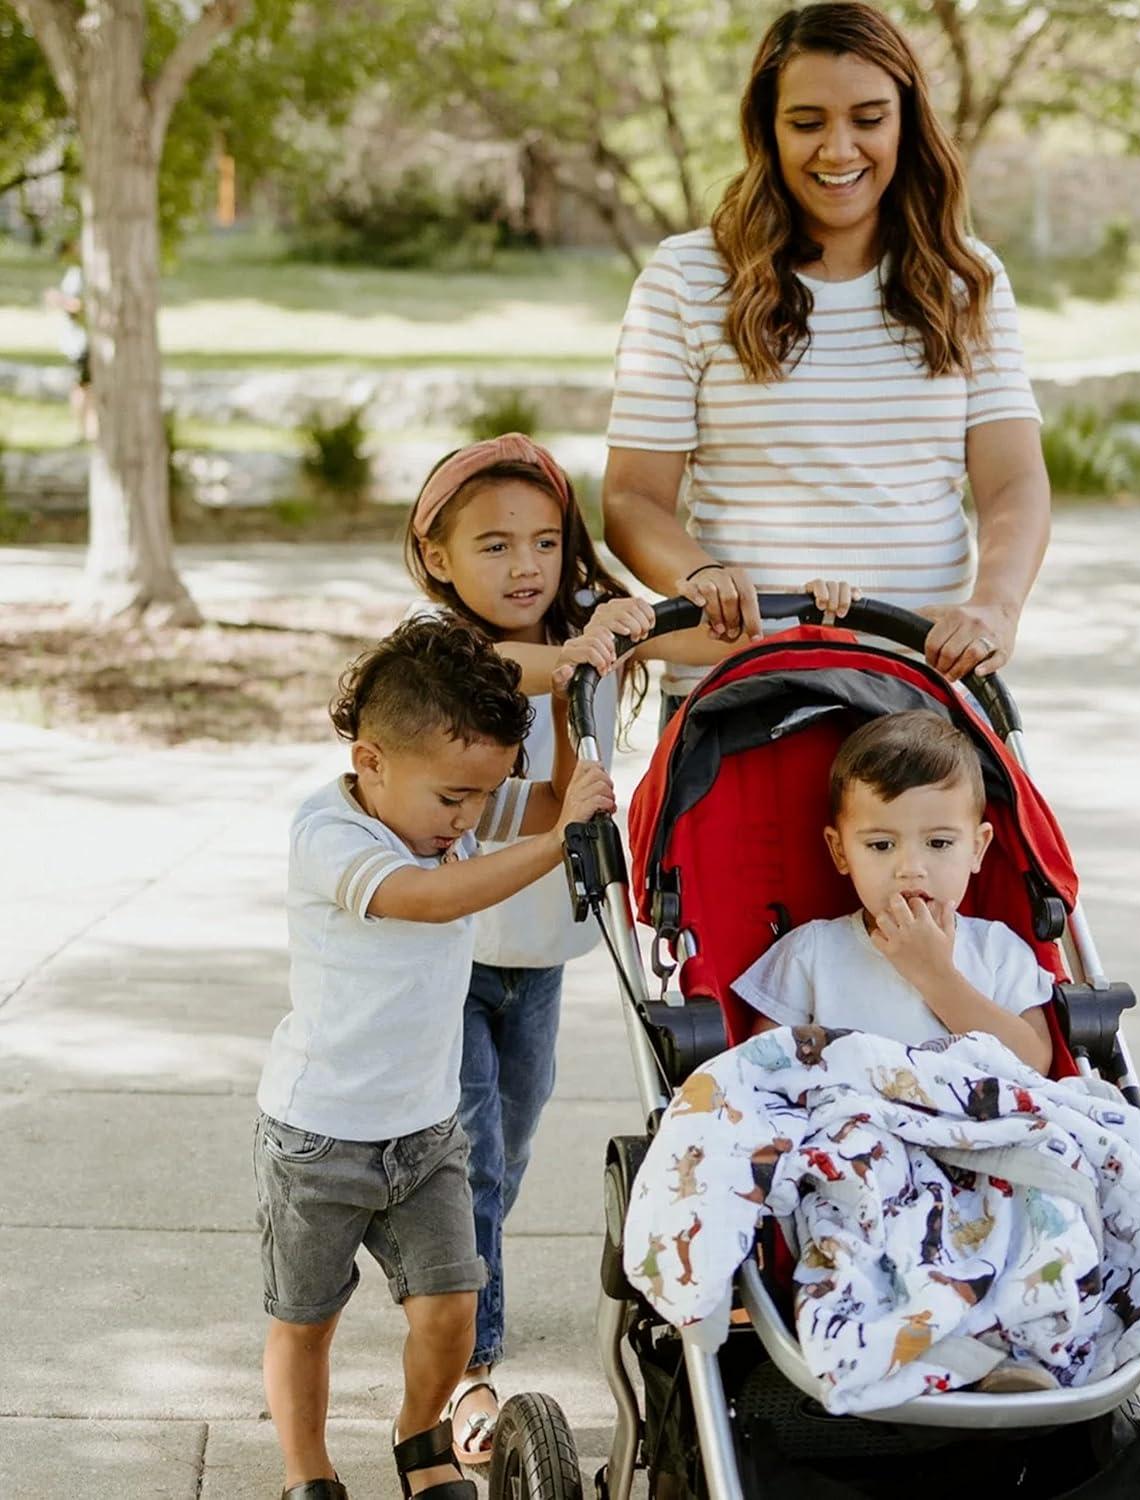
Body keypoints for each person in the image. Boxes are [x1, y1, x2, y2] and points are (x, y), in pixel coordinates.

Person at [403, 433, 733, 1466]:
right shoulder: (435, 650)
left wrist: (676, 613)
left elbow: (713, 649)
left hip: (537, 953)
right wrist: (581, 650)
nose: (524, 565)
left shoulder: (584, 635)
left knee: (513, 1128)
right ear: (440, 559)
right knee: (472, 1152)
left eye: (544, 541)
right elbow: (498, 667)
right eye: (493, 546)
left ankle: (459, 1277)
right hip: (449, 954)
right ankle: (468, 1338)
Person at [603, 1, 1050, 720]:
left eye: (868, 119)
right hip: (741, 697)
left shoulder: (966, 279)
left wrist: (995, 608)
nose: (838, 150)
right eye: (807, 122)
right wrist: (703, 577)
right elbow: (632, 500)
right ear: (767, 129)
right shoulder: (686, 277)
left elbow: (1014, 482)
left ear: (906, 121)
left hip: (917, 692)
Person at [253, 615, 615, 1500]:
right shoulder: (332, 835)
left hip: (424, 1132)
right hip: (319, 1138)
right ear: (372, 760)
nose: (463, 822)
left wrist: (569, 706)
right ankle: (309, 1473)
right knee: (306, 1320)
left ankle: (421, 1441)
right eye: (452, 801)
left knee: (452, 1310)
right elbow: (433, 898)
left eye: (475, 799)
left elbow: (545, 799)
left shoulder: (439, 799)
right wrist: (556, 842)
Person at [734, 710, 1053, 1074]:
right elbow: (759, 1073)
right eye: (882, 845)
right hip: (852, 1120)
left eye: (938, 842)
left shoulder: (996, 949)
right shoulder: (811, 953)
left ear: (977, 849)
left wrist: (936, 976)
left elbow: (1033, 1066)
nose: (911, 868)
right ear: (840, 851)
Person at [43, 238, 94, 441]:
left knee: (85, 387)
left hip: (85, 340)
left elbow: (80, 306)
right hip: (77, 341)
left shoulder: (83, 273)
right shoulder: (75, 273)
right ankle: (84, 428)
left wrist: (59, 300)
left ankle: (87, 429)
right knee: (83, 386)